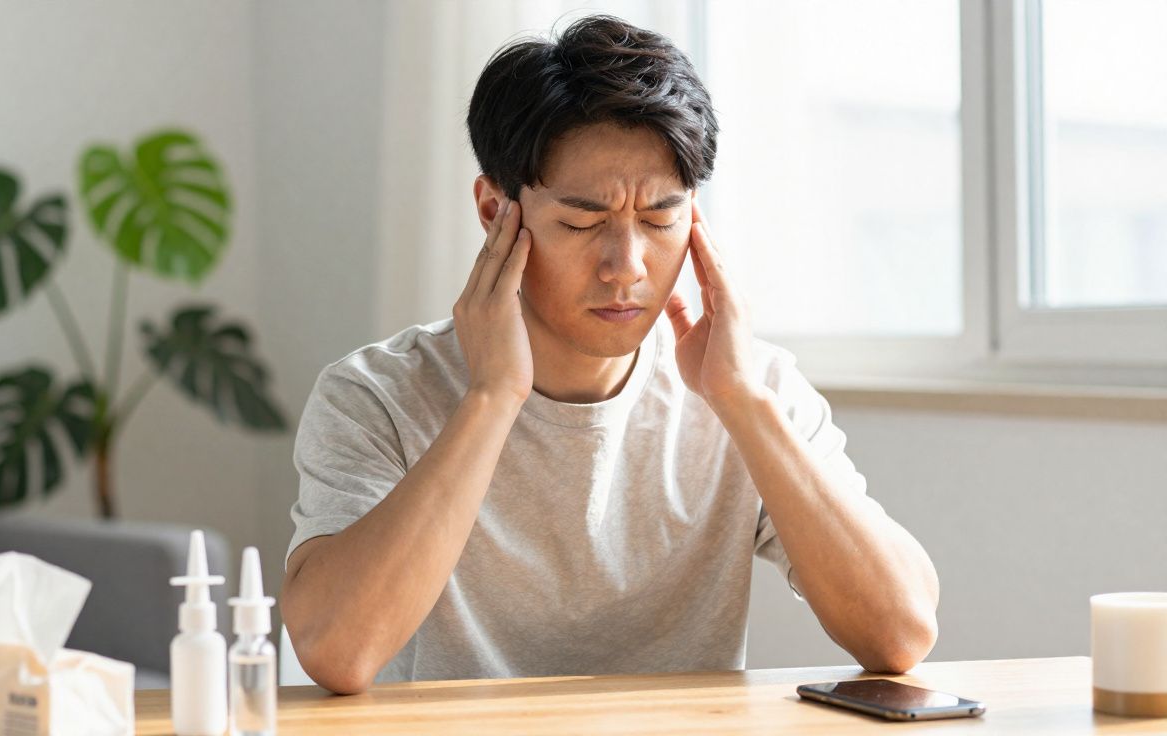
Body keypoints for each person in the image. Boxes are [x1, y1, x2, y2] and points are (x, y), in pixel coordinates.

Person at [279, 14, 939, 696]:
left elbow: (901, 633)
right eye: (581, 222)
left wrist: (745, 405)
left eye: (660, 219)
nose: (626, 266)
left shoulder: (748, 385)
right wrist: (491, 398)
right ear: (493, 211)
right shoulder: (376, 395)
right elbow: (337, 651)